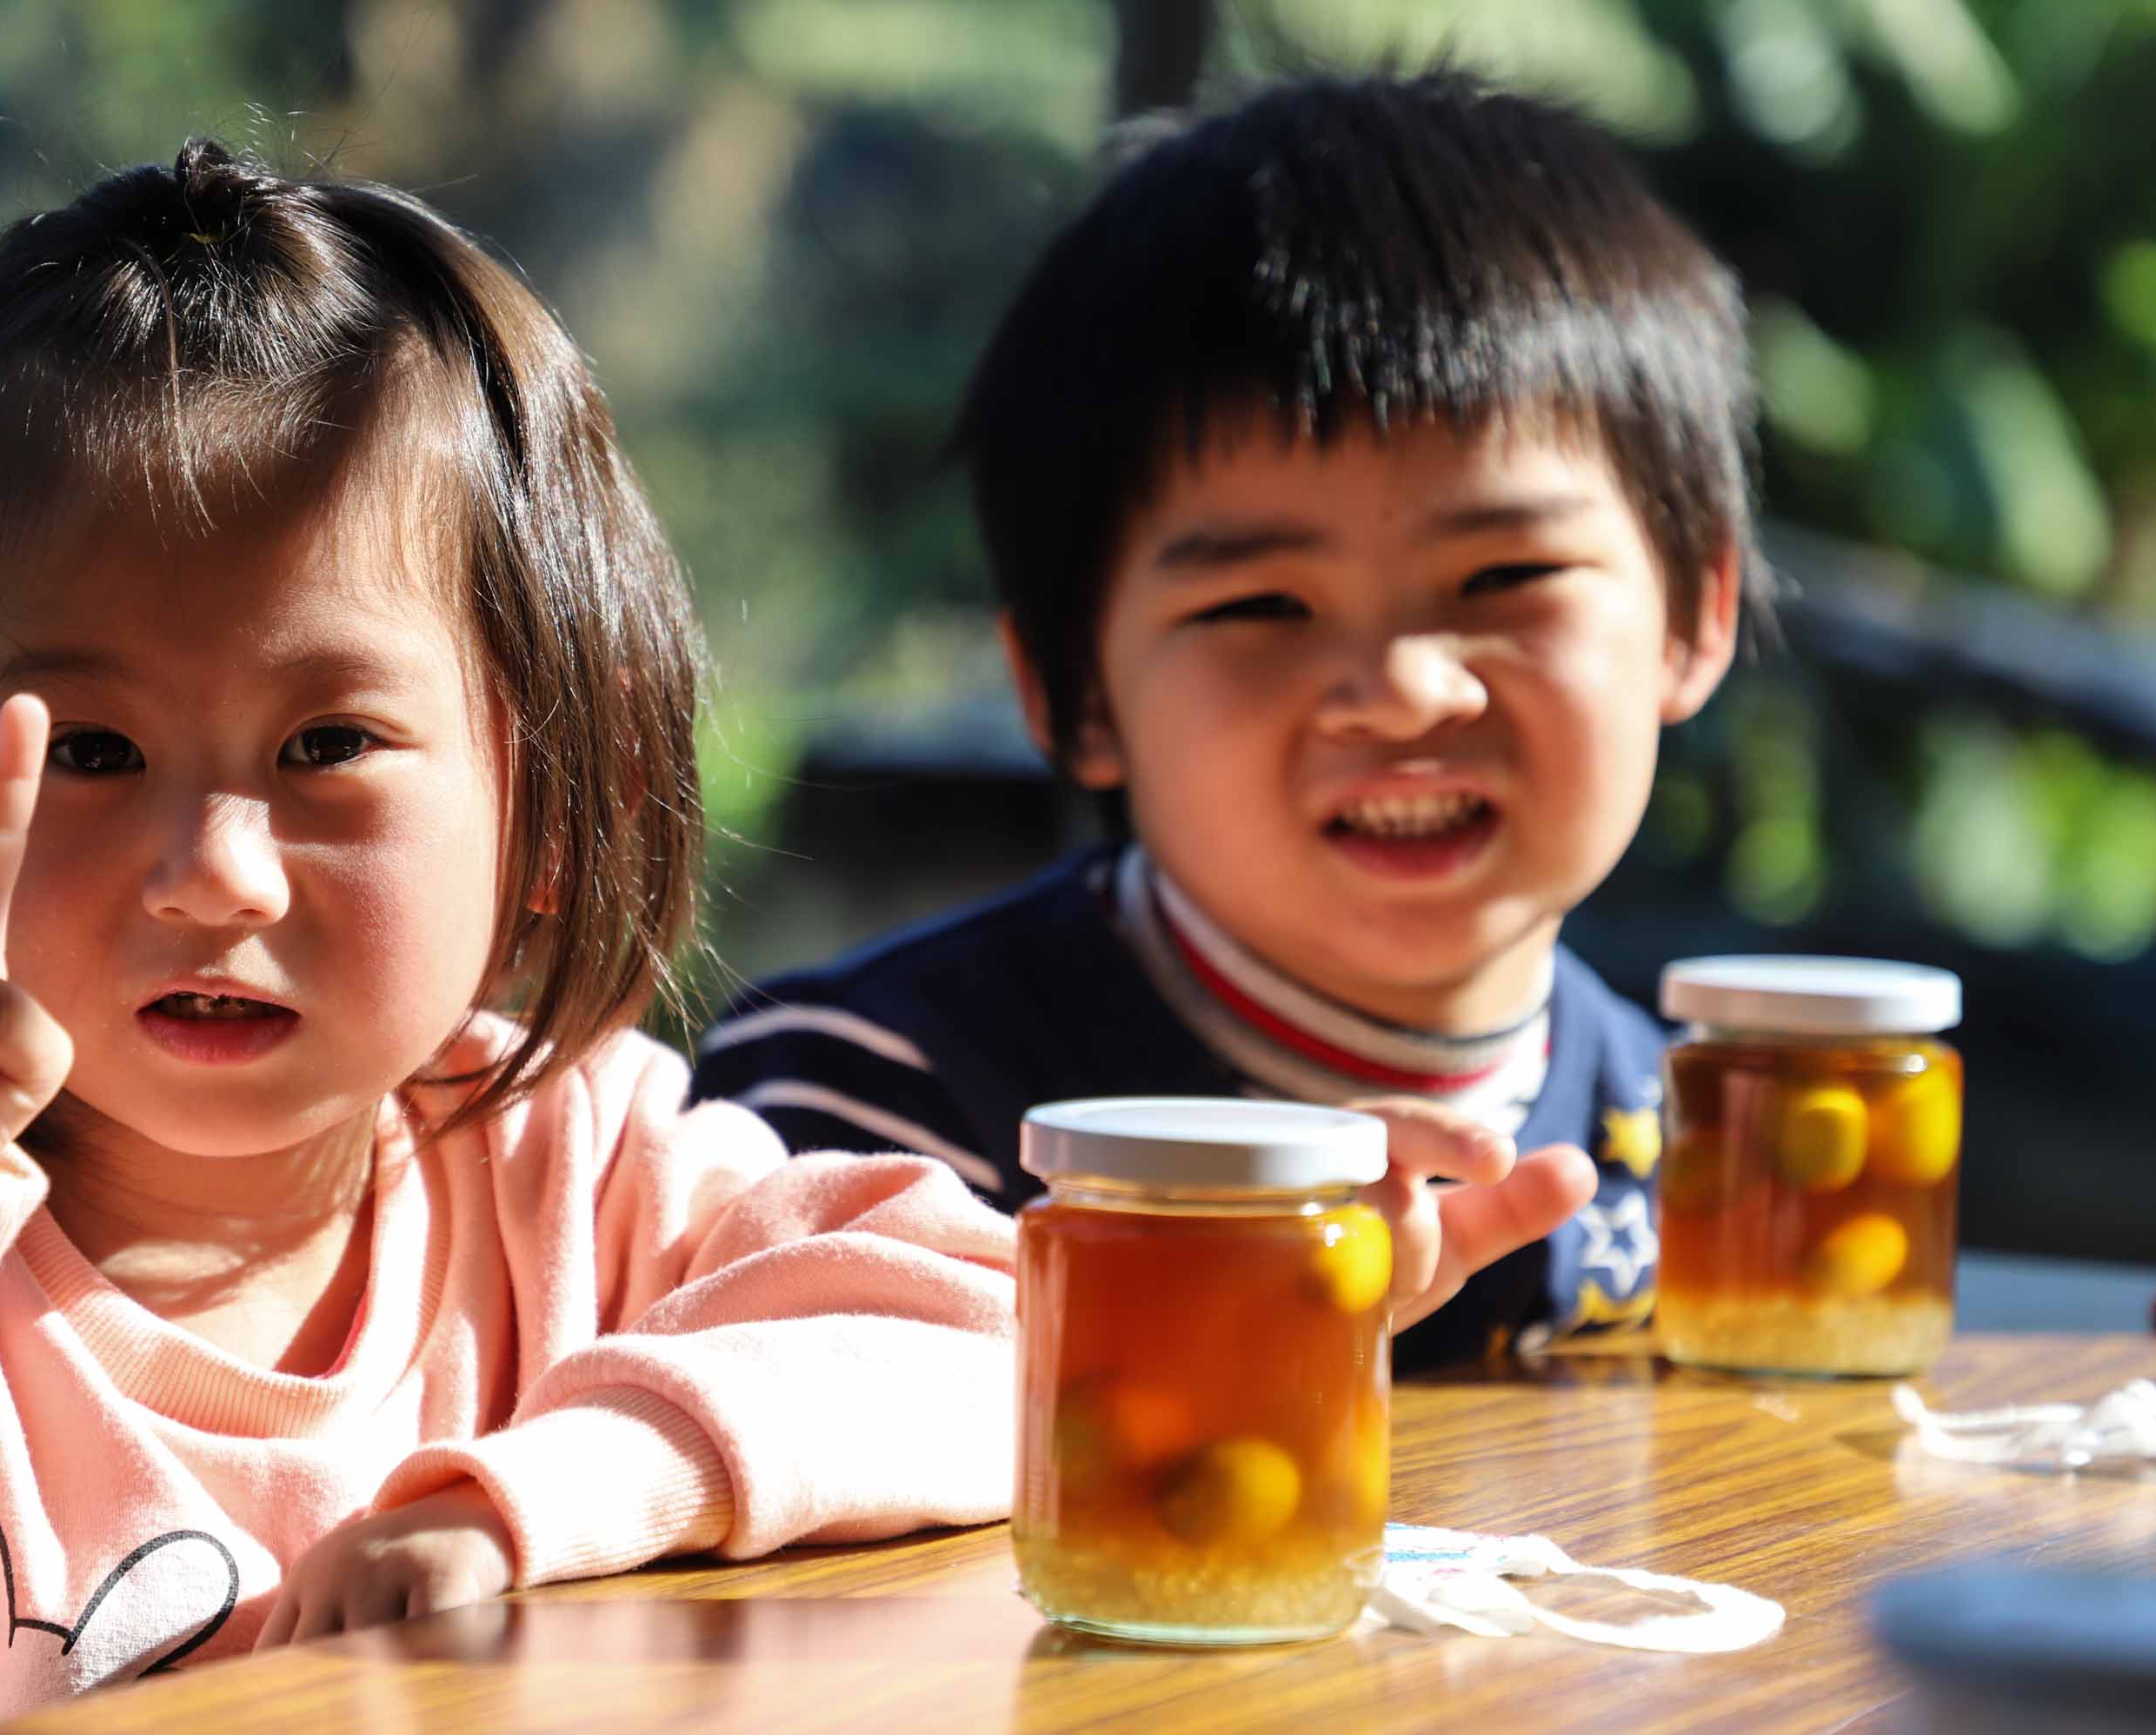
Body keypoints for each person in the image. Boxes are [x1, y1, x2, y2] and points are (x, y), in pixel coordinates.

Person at [0, 143, 1022, 1735]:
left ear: (563, 800)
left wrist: (549, 1493)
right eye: (92, 752)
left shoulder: (585, 1180)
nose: (213, 879)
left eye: (327, 746)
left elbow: (1008, 1349)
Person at [694, 69, 1755, 1368]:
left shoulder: (1711, 1134)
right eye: (1263, 604)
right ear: (1076, 691)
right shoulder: (871, 1108)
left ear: (1696, 615)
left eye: (1505, 578)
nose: (1404, 689)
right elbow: (781, 1447)